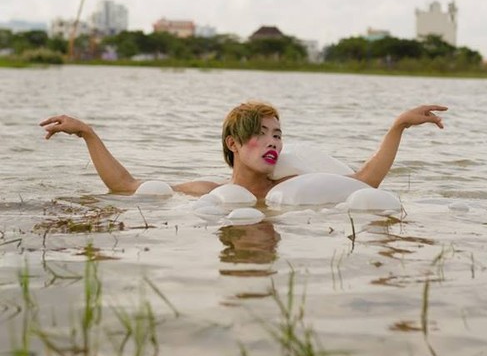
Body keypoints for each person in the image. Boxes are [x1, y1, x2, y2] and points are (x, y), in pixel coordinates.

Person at [39, 101, 447, 200]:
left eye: (278, 134)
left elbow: (363, 182)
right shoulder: (205, 191)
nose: (273, 142)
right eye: (262, 134)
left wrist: (398, 126)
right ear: (233, 144)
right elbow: (125, 186)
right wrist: (89, 134)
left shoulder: (290, 187)